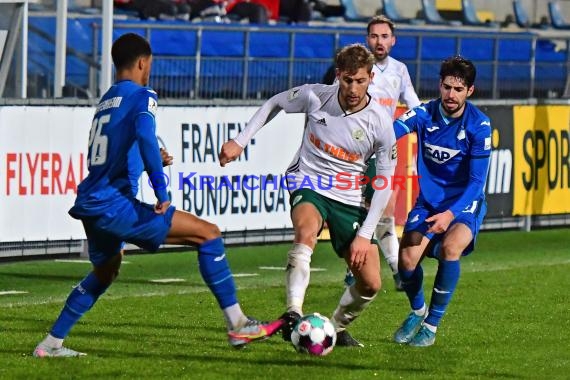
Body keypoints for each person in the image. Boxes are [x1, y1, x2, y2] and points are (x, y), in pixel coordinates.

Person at [33, 33, 282, 358]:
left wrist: (147, 156)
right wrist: (161, 189)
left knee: (105, 272)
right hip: (114, 205)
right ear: (142, 63)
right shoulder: (143, 95)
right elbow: (146, 137)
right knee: (208, 235)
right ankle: (237, 324)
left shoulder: (107, 100)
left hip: (90, 204)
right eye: (149, 64)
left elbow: (116, 151)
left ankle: (50, 344)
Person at [219, 43, 397, 347]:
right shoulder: (317, 95)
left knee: (370, 283)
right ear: (338, 75)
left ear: (371, 79)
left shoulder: (380, 122)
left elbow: (385, 180)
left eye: (361, 81)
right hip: (309, 181)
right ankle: (293, 312)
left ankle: (336, 328)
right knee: (305, 230)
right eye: (347, 80)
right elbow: (275, 102)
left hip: (349, 197)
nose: (353, 88)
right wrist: (240, 140)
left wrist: (365, 235)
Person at [392, 56, 491, 347]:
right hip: (429, 201)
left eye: (458, 89)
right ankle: (417, 311)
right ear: (440, 85)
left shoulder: (479, 126)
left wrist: (451, 214)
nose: (451, 95)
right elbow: (392, 131)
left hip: (463, 203)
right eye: (447, 87)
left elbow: (476, 183)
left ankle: (431, 326)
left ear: (469, 91)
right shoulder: (423, 114)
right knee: (407, 261)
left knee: (450, 247)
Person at [344, 15, 421, 291]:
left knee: (383, 210)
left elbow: (413, 104)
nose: (379, 41)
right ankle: (358, 265)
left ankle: (393, 268)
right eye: (374, 36)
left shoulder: (399, 70)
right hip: (353, 149)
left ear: (393, 40)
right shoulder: (354, 68)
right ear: (368, 39)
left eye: (384, 36)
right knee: (354, 210)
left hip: (383, 149)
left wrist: (411, 125)